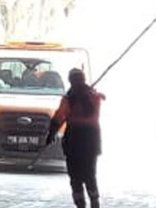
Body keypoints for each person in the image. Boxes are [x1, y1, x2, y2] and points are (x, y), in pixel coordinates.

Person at [46, 68, 105, 208]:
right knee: (90, 174)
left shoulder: (69, 99)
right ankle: (94, 203)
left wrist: (51, 134)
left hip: (74, 140)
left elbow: (58, 118)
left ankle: (81, 204)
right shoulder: (94, 97)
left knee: (75, 177)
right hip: (91, 140)